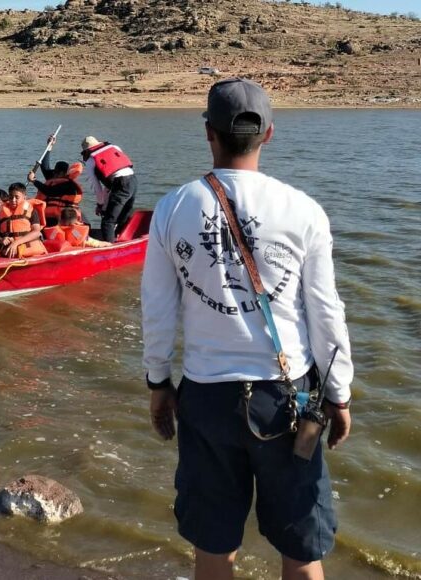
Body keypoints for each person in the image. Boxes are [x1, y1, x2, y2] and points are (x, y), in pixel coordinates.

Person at [141, 78, 353, 580]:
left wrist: (157, 383)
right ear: (269, 134)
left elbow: (157, 308)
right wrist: (340, 395)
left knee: (214, 549)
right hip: (287, 398)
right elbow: (326, 312)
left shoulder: (173, 207)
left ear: (208, 133)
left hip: (206, 399)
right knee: (302, 550)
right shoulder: (303, 210)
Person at [81, 135, 137, 243]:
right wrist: (103, 204)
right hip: (133, 181)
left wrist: (100, 205)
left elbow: (97, 187)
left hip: (121, 184)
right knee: (123, 217)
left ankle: (110, 249)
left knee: (107, 222)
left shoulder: (90, 161)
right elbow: (109, 182)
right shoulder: (114, 147)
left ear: (86, 151)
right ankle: (119, 240)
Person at [0, 182, 47, 258]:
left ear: (24, 197)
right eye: (11, 197)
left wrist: (16, 243)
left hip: (30, 253)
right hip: (7, 253)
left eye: (17, 197)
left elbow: (36, 232)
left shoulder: (32, 211)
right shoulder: (1, 212)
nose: (13, 200)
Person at [27, 162, 84, 227]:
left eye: (55, 172)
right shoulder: (54, 180)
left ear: (63, 173)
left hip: (64, 217)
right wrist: (48, 151)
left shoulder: (69, 185)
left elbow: (50, 191)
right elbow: (45, 167)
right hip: (49, 217)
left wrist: (34, 181)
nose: (53, 174)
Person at [43, 208, 111, 249]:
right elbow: (98, 244)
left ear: (60, 219)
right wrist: (109, 244)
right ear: (76, 220)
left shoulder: (53, 233)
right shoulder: (79, 235)